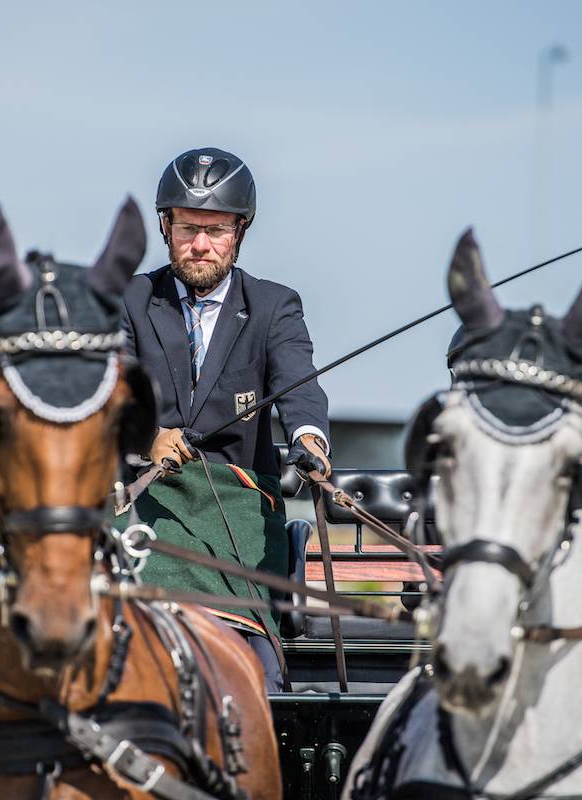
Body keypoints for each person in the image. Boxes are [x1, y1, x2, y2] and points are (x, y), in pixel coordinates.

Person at [120, 147, 331, 690]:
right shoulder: (129, 299)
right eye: (189, 228)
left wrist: (309, 439)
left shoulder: (274, 306)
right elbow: (109, 387)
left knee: (260, 673)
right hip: (147, 500)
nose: (201, 244)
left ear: (240, 232)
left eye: (216, 231)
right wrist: (147, 436)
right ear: (165, 226)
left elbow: (297, 384)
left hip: (237, 507)